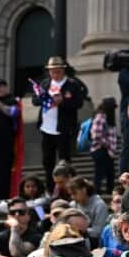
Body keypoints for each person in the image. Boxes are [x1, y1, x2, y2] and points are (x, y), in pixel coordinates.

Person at [33, 57, 85, 191]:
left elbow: (78, 103)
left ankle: (69, 189)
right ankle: (50, 190)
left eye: (58, 71)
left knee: (65, 161)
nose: (55, 74)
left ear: (63, 70)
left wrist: (62, 102)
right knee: (47, 161)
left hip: (63, 128)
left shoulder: (72, 84)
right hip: (46, 127)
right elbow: (35, 100)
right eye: (52, 71)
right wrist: (45, 100)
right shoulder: (45, 84)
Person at [88, 96, 120, 194]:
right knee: (100, 172)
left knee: (110, 173)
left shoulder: (108, 117)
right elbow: (96, 134)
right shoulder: (101, 116)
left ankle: (109, 191)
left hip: (107, 150)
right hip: (101, 149)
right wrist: (106, 145)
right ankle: (97, 191)